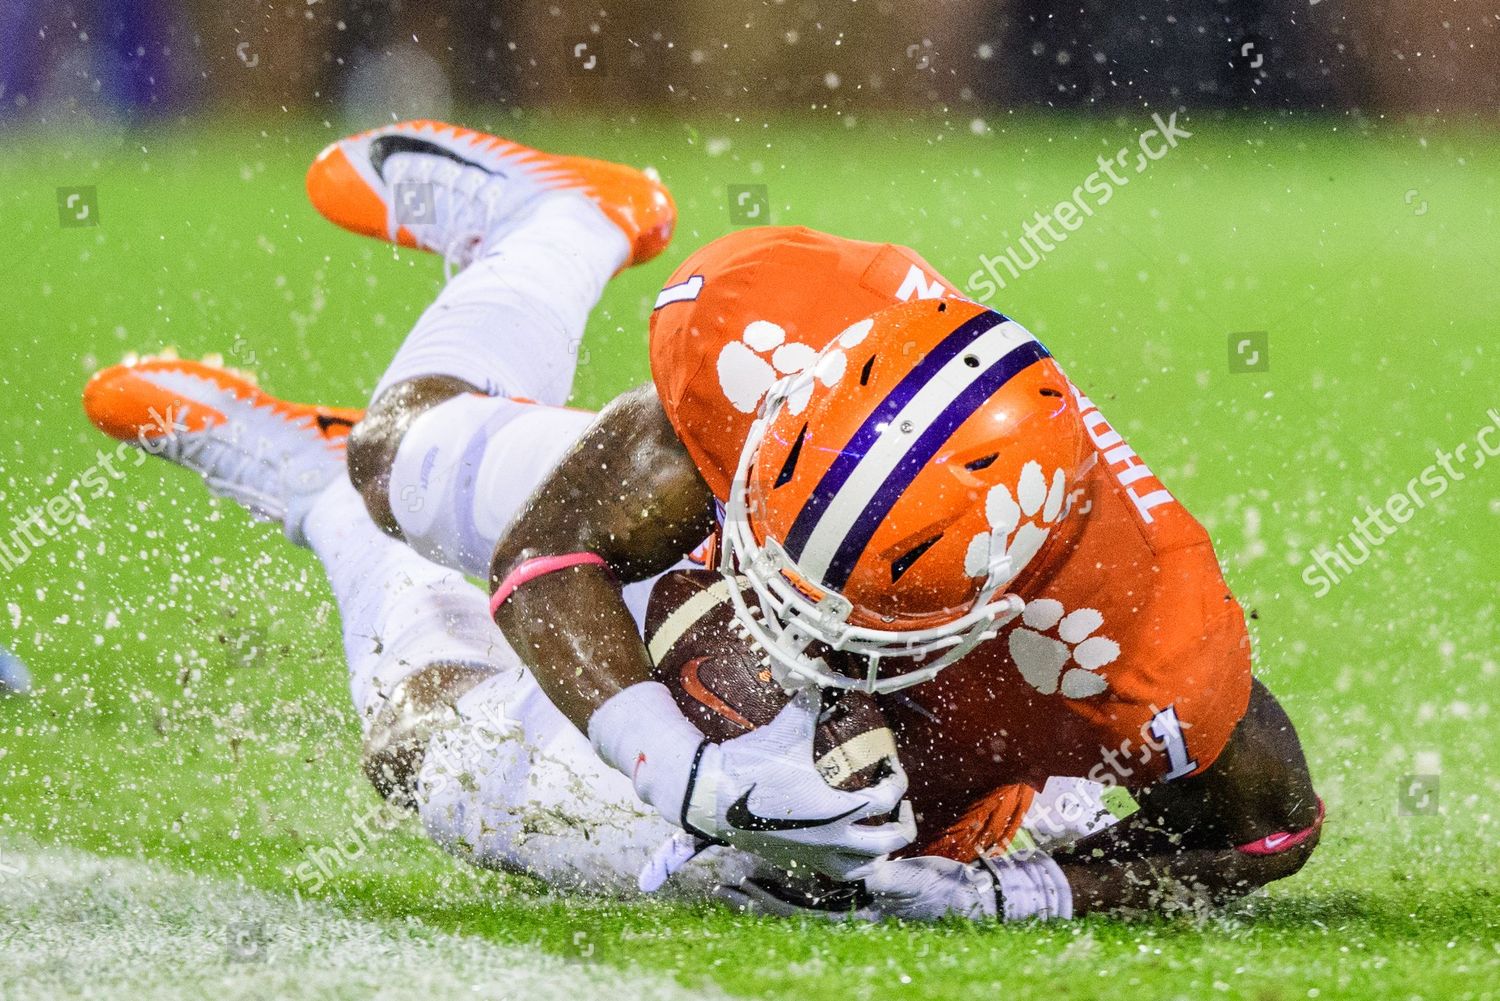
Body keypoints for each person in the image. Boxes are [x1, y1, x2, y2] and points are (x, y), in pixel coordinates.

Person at [83, 120, 1321, 920]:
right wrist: (672, 761)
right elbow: (550, 553)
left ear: (1012, 600)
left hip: (931, 737)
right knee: (394, 459)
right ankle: (556, 225)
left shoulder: (1141, 642)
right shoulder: (767, 330)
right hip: (719, 493)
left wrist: (1043, 889)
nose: (783, 638)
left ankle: (315, 498)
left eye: (856, 633)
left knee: (429, 750)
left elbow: (1273, 828)